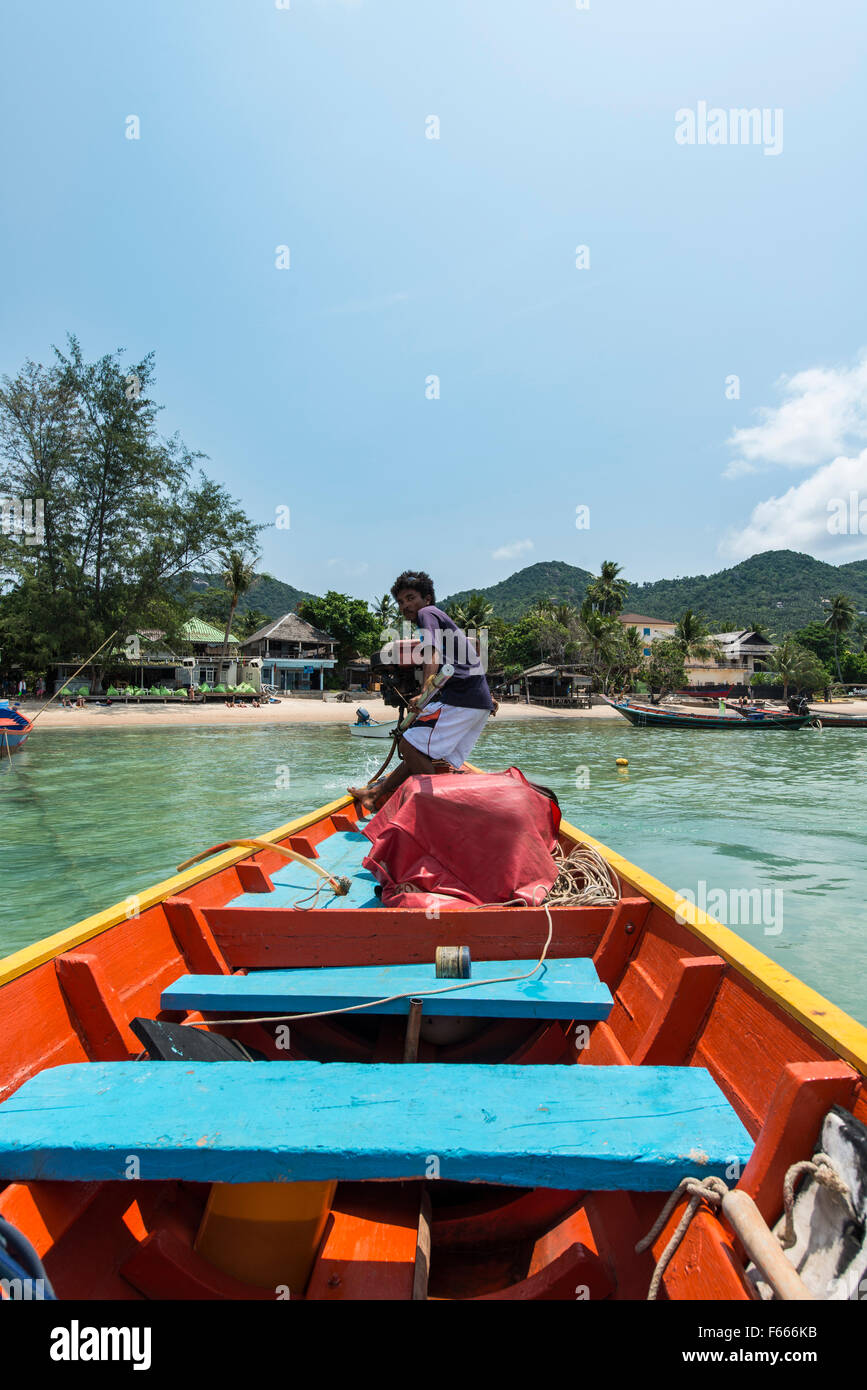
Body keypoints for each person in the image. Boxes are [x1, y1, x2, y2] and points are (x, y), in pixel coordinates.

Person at [348, 570, 497, 813]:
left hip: (464, 702)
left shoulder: (427, 613)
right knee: (418, 750)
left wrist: (425, 689)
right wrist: (487, 696)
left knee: (409, 743)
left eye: (410, 598)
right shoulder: (443, 621)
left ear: (427, 599)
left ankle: (442, 812)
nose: (405, 605)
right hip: (473, 703)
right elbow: (474, 651)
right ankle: (374, 794)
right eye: (401, 602)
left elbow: (432, 652)